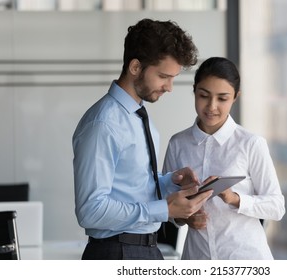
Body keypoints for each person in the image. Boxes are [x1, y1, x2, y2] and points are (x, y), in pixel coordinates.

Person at [72, 18, 212, 260]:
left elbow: (128, 185)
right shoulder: (103, 124)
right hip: (116, 252)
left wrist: (170, 182)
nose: (169, 87)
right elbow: (90, 210)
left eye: (173, 78)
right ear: (135, 67)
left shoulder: (137, 117)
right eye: (163, 76)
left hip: (144, 249)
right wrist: (164, 209)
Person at [163, 57, 286, 260]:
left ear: (235, 97)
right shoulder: (178, 144)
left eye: (222, 98)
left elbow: (276, 207)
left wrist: (234, 199)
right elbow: (167, 207)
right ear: (194, 91)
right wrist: (185, 218)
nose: (212, 106)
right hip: (197, 257)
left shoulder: (251, 144)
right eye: (204, 95)